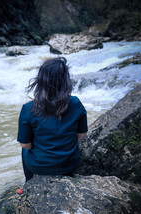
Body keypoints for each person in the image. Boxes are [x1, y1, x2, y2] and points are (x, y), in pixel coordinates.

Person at [17, 57, 88, 194]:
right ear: (66, 81)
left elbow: (25, 145)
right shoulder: (75, 103)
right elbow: (82, 135)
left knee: (24, 149)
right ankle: (67, 175)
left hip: (40, 167)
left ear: (40, 81)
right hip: (70, 164)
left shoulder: (29, 108)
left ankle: (28, 184)